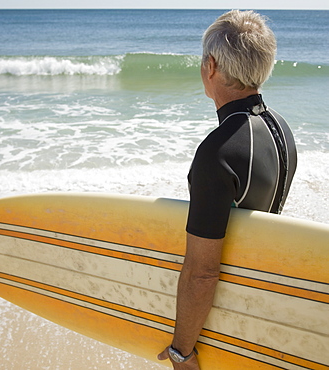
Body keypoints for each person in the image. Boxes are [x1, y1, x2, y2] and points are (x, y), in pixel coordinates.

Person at [158, 9, 297, 370]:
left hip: (223, 325)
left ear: (211, 66)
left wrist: (181, 351)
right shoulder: (283, 129)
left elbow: (202, 272)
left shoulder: (218, 152)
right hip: (258, 308)